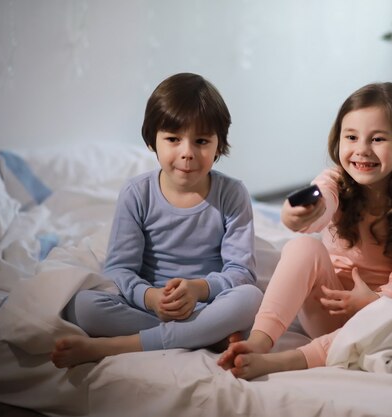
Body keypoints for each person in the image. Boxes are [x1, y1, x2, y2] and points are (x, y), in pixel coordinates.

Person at [217, 82, 392, 380]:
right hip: (326, 308)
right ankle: (258, 343)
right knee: (301, 246)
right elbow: (321, 203)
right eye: (351, 137)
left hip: (372, 318)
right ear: (338, 140)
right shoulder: (334, 180)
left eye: (377, 139)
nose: (362, 149)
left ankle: (287, 361)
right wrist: (297, 215)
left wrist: (369, 300)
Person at [51, 73, 263, 368]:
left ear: (219, 144)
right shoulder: (137, 193)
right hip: (150, 308)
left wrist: (197, 289)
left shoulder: (232, 193)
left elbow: (241, 272)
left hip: (208, 304)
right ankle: (202, 335)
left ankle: (117, 346)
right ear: (152, 140)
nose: (187, 153)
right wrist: (151, 298)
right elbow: (120, 269)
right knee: (82, 307)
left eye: (201, 141)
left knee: (250, 298)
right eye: (173, 139)